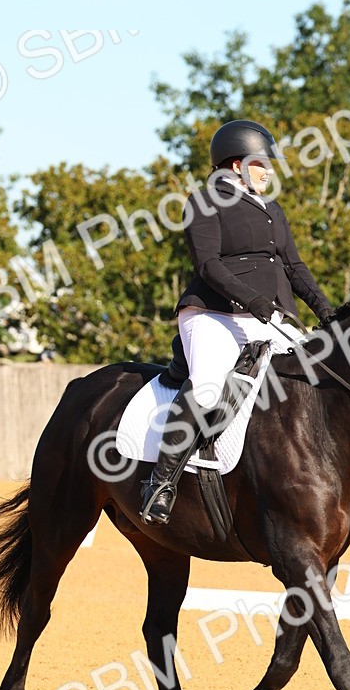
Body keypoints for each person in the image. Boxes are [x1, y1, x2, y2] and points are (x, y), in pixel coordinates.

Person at [140, 118, 334, 526]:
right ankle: (160, 483)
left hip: (272, 317)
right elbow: (207, 264)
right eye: (263, 164)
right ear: (237, 164)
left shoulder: (271, 209)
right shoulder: (203, 201)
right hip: (214, 315)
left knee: (313, 383)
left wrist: (328, 311)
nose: (269, 171)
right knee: (209, 388)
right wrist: (251, 299)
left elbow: (293, 266)